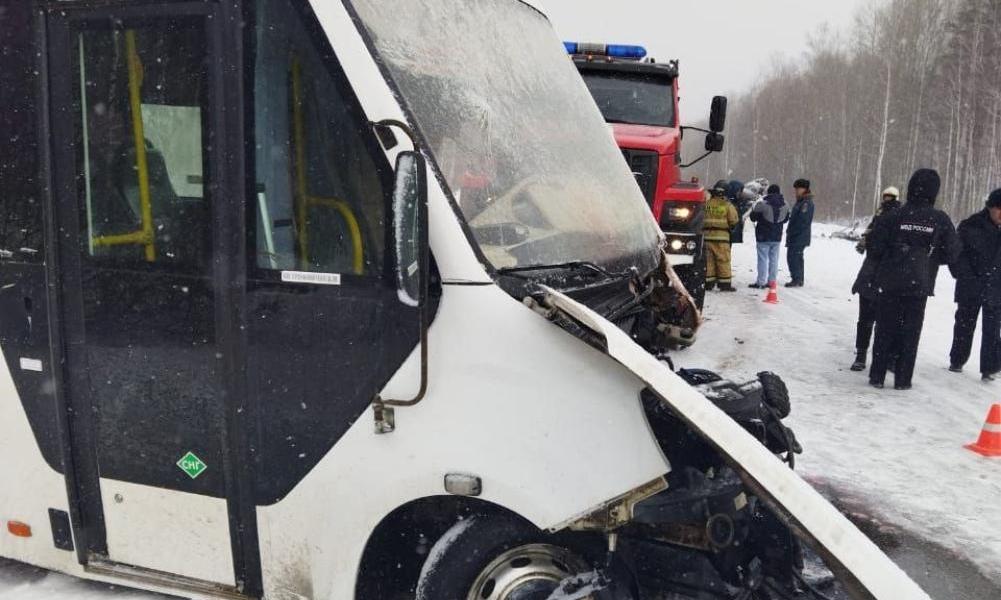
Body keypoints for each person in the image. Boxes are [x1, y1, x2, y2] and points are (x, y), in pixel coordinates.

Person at [867, 169, 960, 390]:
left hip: (890, 281)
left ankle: (877, 375)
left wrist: (892, 255)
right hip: (919, 283)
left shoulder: (894, 215)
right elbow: (953, 251)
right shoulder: (940, 219)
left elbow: (875, 246)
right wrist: (931, 257)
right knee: (911, 332)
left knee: (884, 328)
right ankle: (903, 379)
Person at [948, 188, 1001, 381]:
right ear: (991, 208)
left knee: (993, 330)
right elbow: (956, 255)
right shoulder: (971, 225)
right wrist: (965, 276)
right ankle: (957, 360)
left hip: (996, 288)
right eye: (1000, 210)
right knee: (964, 324)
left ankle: (990, 367)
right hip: (972, 285)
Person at [849, 187, 902, 371]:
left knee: (873, 320)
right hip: (875, 276)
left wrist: (868, 241)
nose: (886, 200)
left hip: (879, 277)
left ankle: (872, 356)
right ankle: (868, 355)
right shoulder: (883, 216)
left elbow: (874, 238)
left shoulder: (889, 219)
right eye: (885, 197)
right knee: (871, 320)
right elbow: (871, 234)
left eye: (890, 197)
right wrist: (866, 241)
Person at [748, 184, 789, 289]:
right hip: (777, 237)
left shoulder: (763, 204)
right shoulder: (785, 205)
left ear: (768, 192)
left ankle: (761, 282)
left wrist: (754, 207)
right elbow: (785, 220)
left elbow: (753, 217)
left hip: (763, 236)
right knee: (774, 259)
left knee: (762, 259)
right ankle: (772, 282)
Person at [703, 180, 739, 292]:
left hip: (707, 237)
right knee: (723, 260)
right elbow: (734, 220)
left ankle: (708, 283)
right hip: (722, 238)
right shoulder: (727, 205)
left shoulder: (707, 204)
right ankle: (724, 284)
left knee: (709, 261)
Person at [785, 179, 815, 287]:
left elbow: (803, 221)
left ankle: (796, 279)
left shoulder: (806, 203)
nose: (796, 191)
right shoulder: (801, 201)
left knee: (794, 257)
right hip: (797, 235)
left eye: (799, 189)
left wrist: (793, 232)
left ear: (805, 189)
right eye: (796, 189)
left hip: (799, 236)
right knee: (796, 257)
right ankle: (798, 278)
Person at [727, 180, 752, 245]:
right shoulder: (728, 202)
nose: (740, 193)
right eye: (739, 191)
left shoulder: (738, 201)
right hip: (725, 233)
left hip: (730, 234)